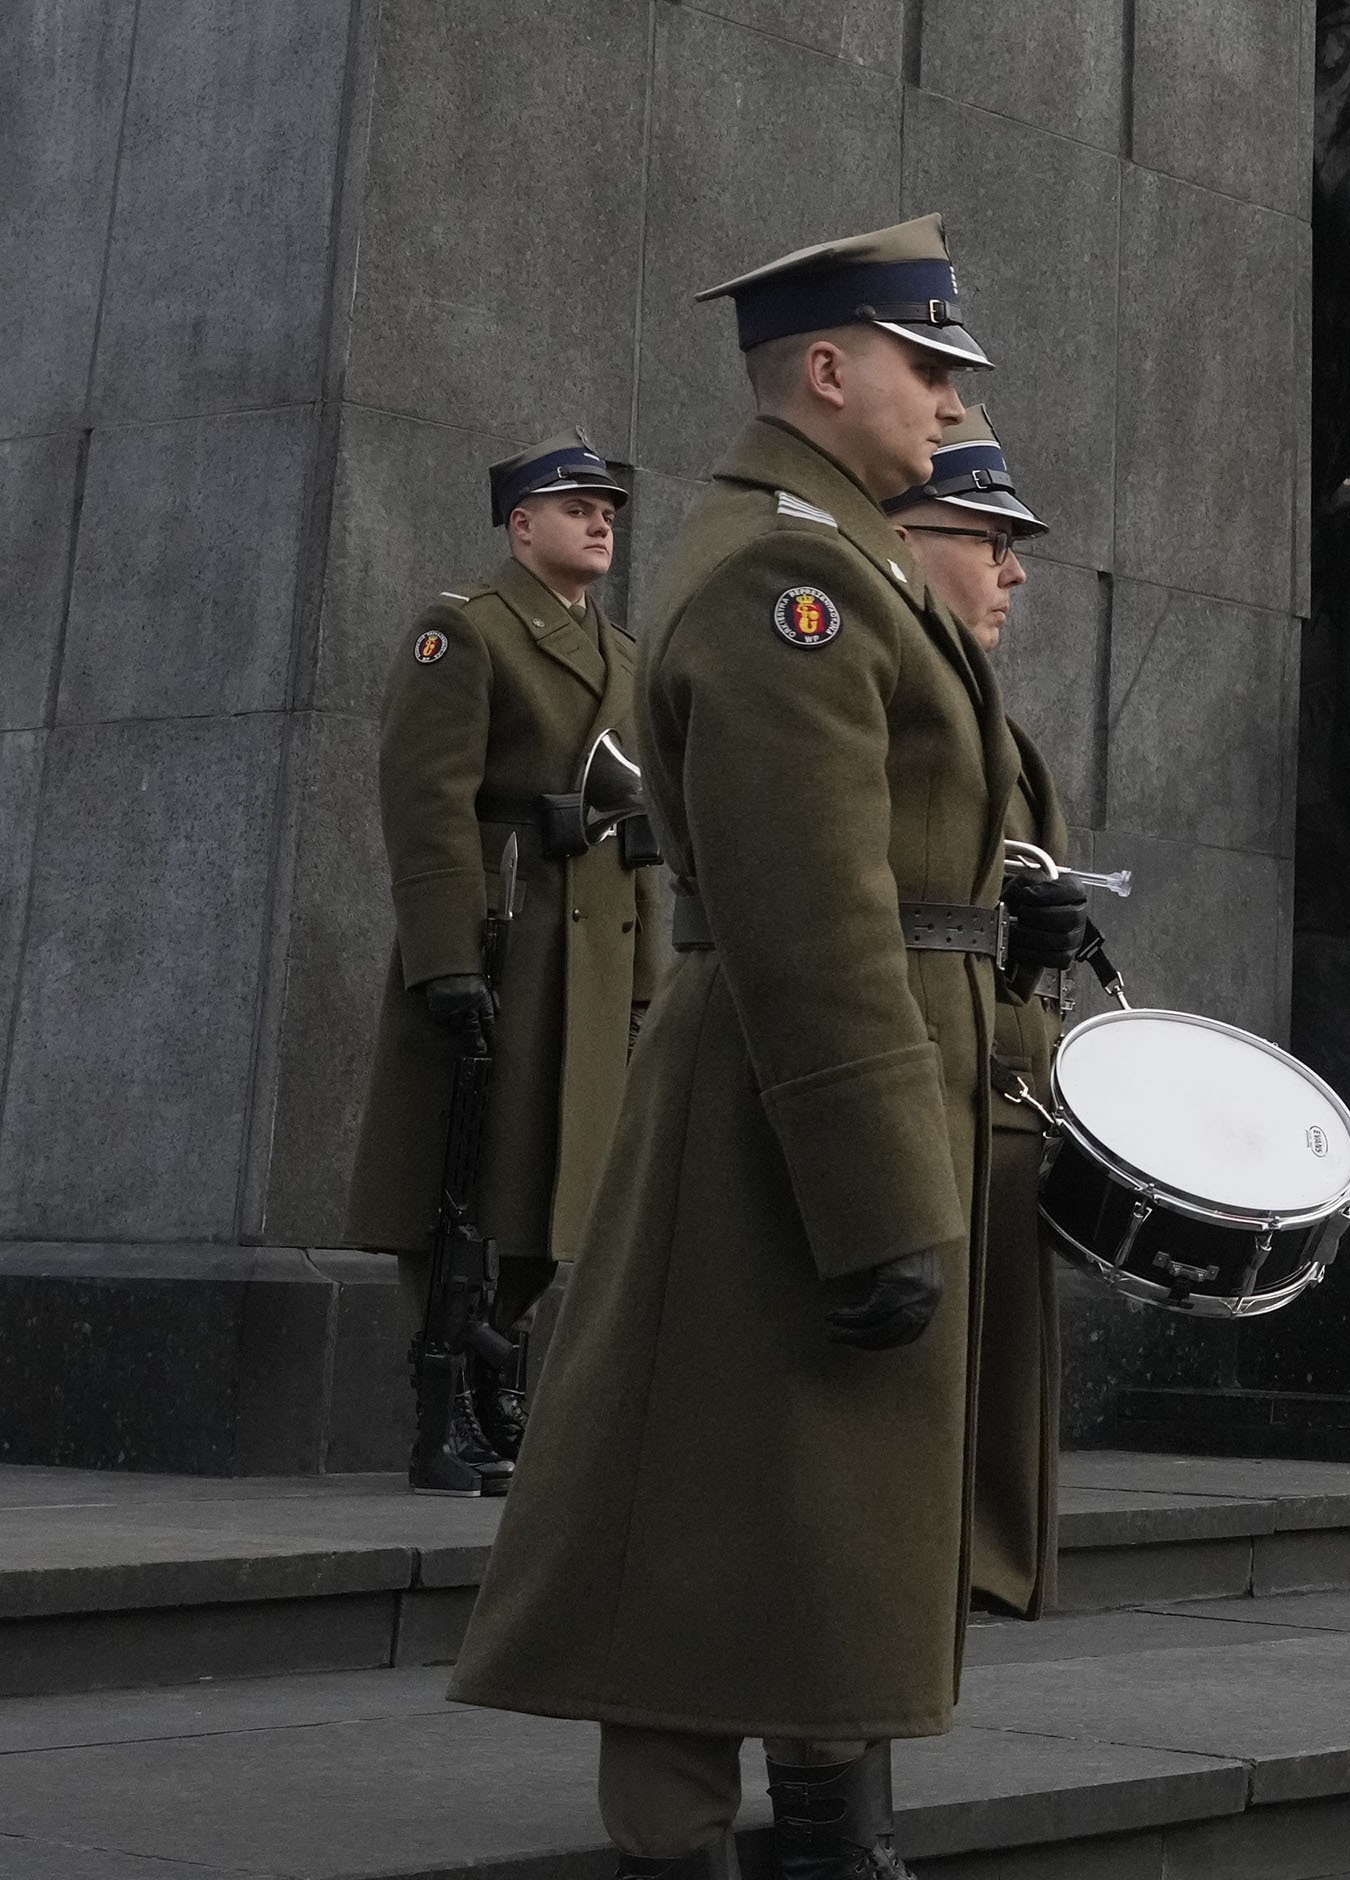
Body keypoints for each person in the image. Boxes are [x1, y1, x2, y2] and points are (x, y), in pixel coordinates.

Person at [449, 218, 1095, 1880]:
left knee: (830, 1522)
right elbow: (810, 915)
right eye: (929, 366)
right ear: (829, 369)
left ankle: (830, 1829)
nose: (953, 402)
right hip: (787, 1116)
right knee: (707, 1522)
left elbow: (903, 859)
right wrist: (883, 1194)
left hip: (864, 1095)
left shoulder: (847, 553)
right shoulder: (787, 574)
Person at [346, 435, 658, 1495]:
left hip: (593, 951)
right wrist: (443, 957)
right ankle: (452, 1399)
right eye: (575, 505)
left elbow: (643, 827)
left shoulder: (628, 655)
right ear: (520, 524)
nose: (600, 519)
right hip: (506, 937)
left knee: (552, 1184)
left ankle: (499, 1373)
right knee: (466, 1182)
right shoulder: (466, 631)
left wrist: (648, 976)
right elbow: (427, 800)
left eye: (608, 505)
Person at [884, 409, 1095, 1628]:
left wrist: (1039, 938)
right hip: (921, 1061)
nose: (1013, 570)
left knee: (1002, 1368)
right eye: (989, 537)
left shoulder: (1001, 726)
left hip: (1005, 1071)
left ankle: (984, 1557)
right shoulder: (881, 687)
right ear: (908, 537)